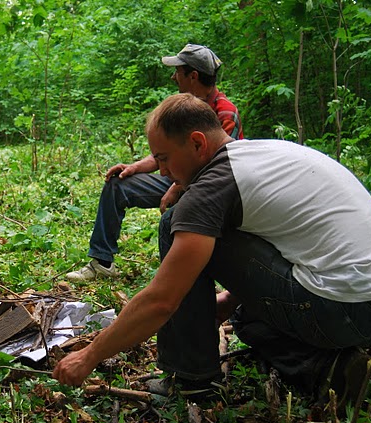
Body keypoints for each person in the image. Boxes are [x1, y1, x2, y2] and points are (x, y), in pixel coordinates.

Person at [54, 94, 371, 406]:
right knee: (247, 319)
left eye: (163, 158)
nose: (161, 170)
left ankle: (193, 380)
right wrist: (235, 298)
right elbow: (282, 239)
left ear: (196, 143)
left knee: (173, 222)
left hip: (341, 309)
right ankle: (328, 369)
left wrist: (89, 356)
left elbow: (162, 300)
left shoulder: (212, 188)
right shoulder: (256, 154)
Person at [66, 44, 243, 282]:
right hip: (176, 179)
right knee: (118, 184)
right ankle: (102, 262)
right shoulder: (181, 107)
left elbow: (220, 166)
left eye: (178, 71)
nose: (173, 76)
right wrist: (134, 168)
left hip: (210, 190)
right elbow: (165, 152)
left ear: (193, 76)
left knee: (178, 217)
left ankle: (183, 278)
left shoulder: (225, 112)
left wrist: (178, 188)